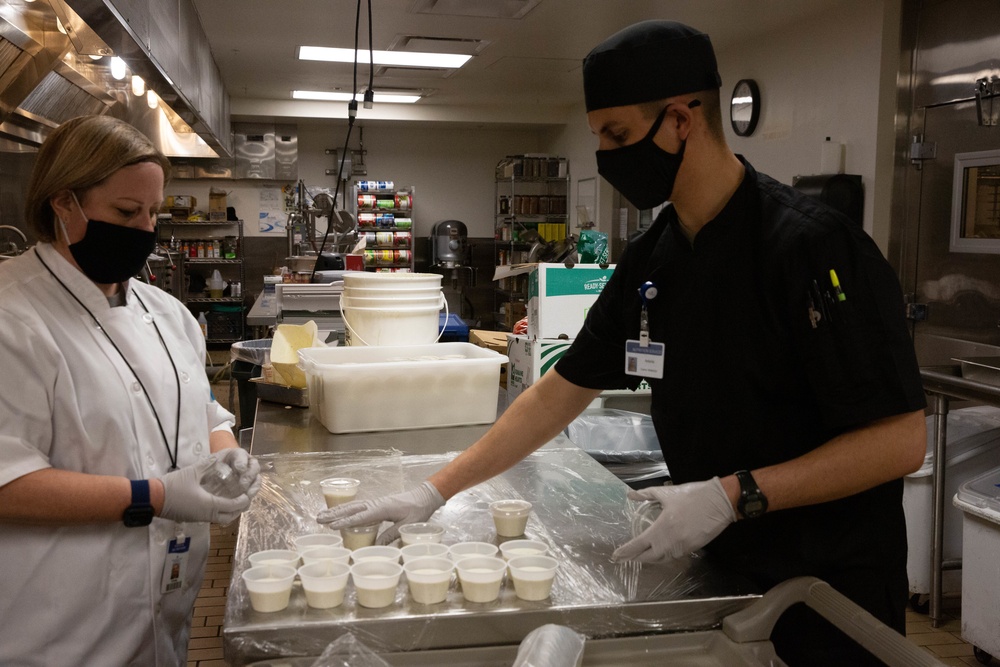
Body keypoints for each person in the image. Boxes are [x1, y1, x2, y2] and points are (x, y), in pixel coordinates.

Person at [317, 21, 927, 666]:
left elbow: (898, 440)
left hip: (834, 586)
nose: (607, 156)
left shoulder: (812, 248)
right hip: (725, 574)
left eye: (618, 135)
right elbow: (560, 391)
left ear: (681, 121)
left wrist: (733, 494)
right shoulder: (655, 258)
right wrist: (436, 490)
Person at [0, 115, 262, 666]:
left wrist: (225, 458)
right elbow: (8, 483)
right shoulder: (12, 316)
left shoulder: (166, 313)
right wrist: (156, 496)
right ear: (62, 203)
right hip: (56, 626)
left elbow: (206, 413)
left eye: (153, 213)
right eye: (125, 212)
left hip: (165, 611)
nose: (144, 229)